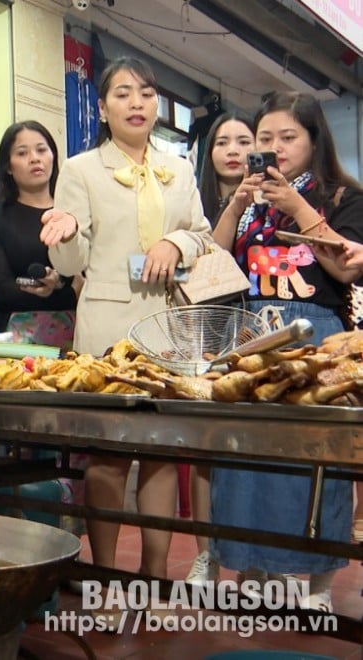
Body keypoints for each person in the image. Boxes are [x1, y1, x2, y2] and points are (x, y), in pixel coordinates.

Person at [40, 57, 212, 594]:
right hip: (107, 327)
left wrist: (175, 242)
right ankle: (106, 577)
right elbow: (72, 266)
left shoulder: (180, 167)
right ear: (102, 107)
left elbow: (202, 235)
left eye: (145, 92)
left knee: (161, 454)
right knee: (110, 456)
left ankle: (155, 576)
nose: (136, 103)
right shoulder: (81, 169)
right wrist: (66, 234)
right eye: (121, 93)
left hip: (166, 324)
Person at [208, 91, 363, 612]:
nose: (275, 147)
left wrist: (295, 205)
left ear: (314, 140)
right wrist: (236, 203)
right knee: (246, 457)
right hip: (254, 338)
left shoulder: (344, 197)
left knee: (314, 460)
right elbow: (215, 258)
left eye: (288, 137)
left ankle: (317, 583)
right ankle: (251, 570)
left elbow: (346, 268)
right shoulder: (246, 202)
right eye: (265, 138)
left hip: (316, 341)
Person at [184, 111, 255, 586]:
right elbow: (207, 257)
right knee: (206, 448)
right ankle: (205, 554)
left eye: (244, 140)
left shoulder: (275, 201)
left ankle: (254, 555)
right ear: (208, 154)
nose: (233, 150)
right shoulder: (195, 203)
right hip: (209, 331)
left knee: (256, 450)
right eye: (222, 142)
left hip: (261, 331)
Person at [0, 120, 76, 349]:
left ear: (53, 155)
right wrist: (65, 292)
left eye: (42, 150)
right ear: (8, 166)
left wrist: (61, 287)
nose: (34, 158)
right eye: (22, 153)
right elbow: (3, 291)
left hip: (79, 339)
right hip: (16, 345)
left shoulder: (74, 213)